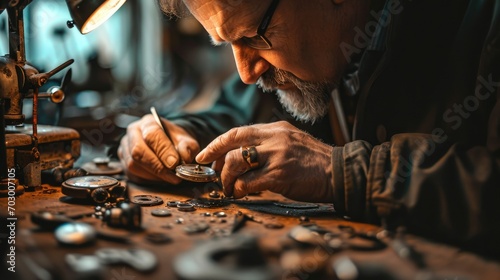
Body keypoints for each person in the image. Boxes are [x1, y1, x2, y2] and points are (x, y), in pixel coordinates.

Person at [119, 0, 500, 258]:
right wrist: (172, 135)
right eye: (227, 43)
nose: (247, 73)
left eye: (253, 37)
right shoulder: (294, 59)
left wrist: (341, 172)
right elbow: (233, 116)